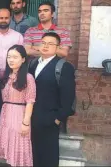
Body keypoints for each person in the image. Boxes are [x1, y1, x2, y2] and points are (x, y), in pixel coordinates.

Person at [29, 32, 76, 167]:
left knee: (48, 157)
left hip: (50, 119)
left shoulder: (63, 67)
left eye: (50, 44)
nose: (45, 46)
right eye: (43, 43)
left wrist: (57, 118)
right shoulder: (33, 64)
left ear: (57, 48)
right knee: (33, 155)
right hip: (32, 117)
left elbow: (68, 97)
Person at [0, 45, 36, 167]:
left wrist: (26, 123)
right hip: (6, 115)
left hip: (19, 115)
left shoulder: (28, 78)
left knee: (19, 149)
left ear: (23, 59)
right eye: (9, 57)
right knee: (9, 149)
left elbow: (30, 101)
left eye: (15, 57)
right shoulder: (5, 76)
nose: (11, 60)